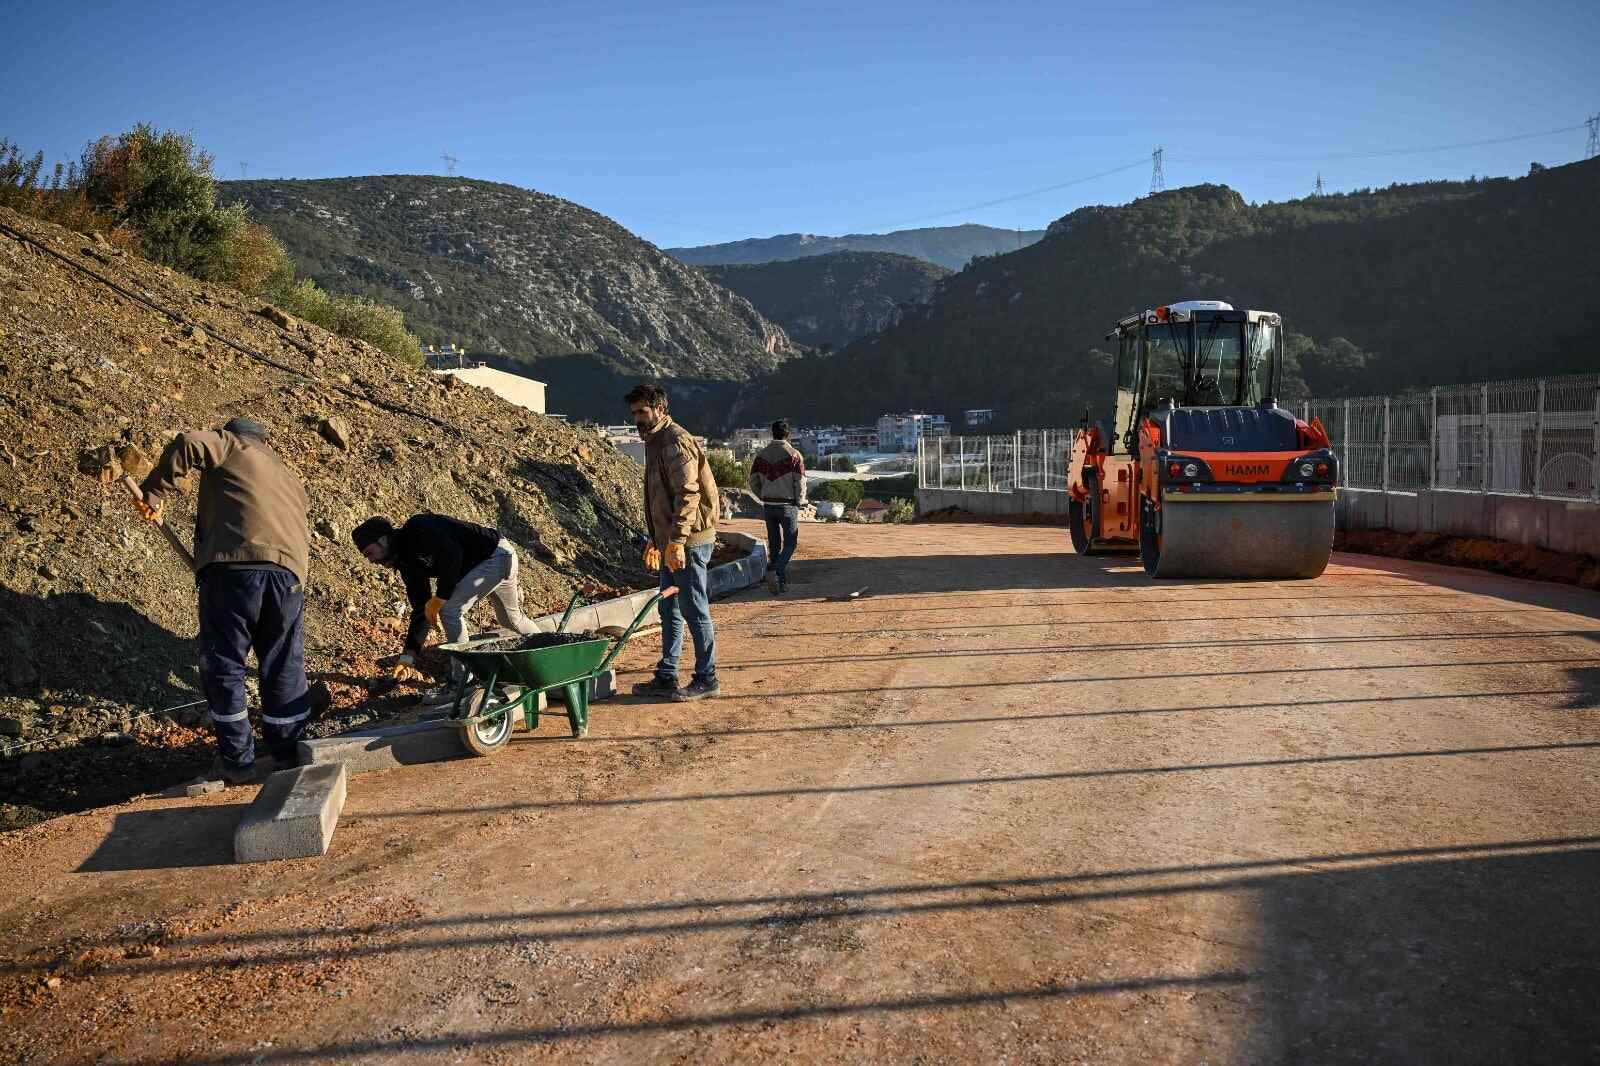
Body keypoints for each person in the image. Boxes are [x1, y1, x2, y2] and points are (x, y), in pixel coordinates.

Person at [134, 417, 312, 785]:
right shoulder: (287, 474)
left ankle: (237, 762)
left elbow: (188, 442)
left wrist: (153, 493)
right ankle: (288, 755)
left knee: (225, 664)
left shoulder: (232, 446)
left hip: (234, 571)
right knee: (282, 665)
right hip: (289, 578)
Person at [351, 513, 539, 701]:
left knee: (449, 610)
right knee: (510, 619)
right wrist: (407, 658)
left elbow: (452, 554)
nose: (370, 560)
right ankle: (553, 649)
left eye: (369, 552)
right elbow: (422, 610)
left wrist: (441, 596)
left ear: (383, 539)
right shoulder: (406, 564)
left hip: (495, 556)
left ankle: (463, 682)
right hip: (496, 559)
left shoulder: (419, 528)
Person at [625, 383, 720, 702]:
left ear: (660, 409)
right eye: (634, 412)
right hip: (672, 542)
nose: (637, 418)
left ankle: (707, 678)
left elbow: (688, 495)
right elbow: (660, 498)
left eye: (642, 411)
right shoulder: (654, 440)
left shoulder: (675, 441)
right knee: (670, 608)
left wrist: (677, 542)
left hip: (689, 541)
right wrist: (657, 540)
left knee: (694, 609)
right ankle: (667, 675)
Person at [748, 420, 805, 594]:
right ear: (788, 434)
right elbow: (800, 482)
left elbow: (752, 481)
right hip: (787, 505)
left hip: (768, 505)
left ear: (772, 433)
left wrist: (762, 495)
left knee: (774, 545)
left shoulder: (761, 455)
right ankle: (776, 572)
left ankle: (781, 583)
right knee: (790, 543)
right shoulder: (794, 455)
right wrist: (799, 501)